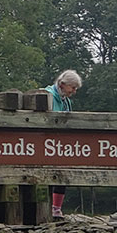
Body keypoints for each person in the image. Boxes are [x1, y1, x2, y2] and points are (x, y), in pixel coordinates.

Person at [44, 69, 82, 218]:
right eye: (72, 88)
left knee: (63, 173)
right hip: (46, 144)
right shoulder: (47, 96)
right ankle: (49, 207)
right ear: (62, 84)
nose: (74, 91)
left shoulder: (66, 101)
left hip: (60, 145)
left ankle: (56, 208)